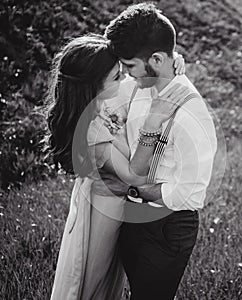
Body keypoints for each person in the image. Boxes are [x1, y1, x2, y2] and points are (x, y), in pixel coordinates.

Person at [46, 33, 187, 299]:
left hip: (121, 207)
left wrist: (169, 63)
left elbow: (139, 86)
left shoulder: (107, 100)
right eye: (116, 77)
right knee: (92, 282)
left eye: (121, 73)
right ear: (92, 86)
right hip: (102, 214)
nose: (123, 80)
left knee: (112, 282)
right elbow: (133, 174)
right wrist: (152, 125)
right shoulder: (89, 131)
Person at [104, 3, 218, 300]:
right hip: (130, 217)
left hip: (167, 227)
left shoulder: (192, 113)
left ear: (156, 59)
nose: (126, 74)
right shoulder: (137, 87)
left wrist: (138, 188)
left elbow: (190, 194)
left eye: (130, 66)